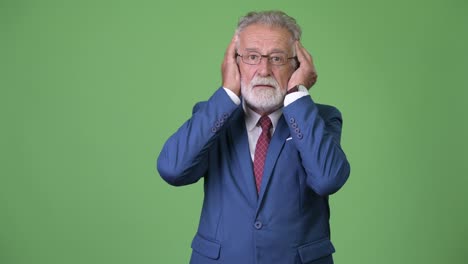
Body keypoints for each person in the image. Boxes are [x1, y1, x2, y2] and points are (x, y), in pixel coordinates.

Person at [157, 10, 350, 264]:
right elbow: (173, 169)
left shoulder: (321, 118)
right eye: (251, 57)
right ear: (234, 63)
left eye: (277, 58)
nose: (264, 69)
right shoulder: (212, 116)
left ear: (297, 65)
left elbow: (327, 179)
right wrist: (227, 93)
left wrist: (298, 95)